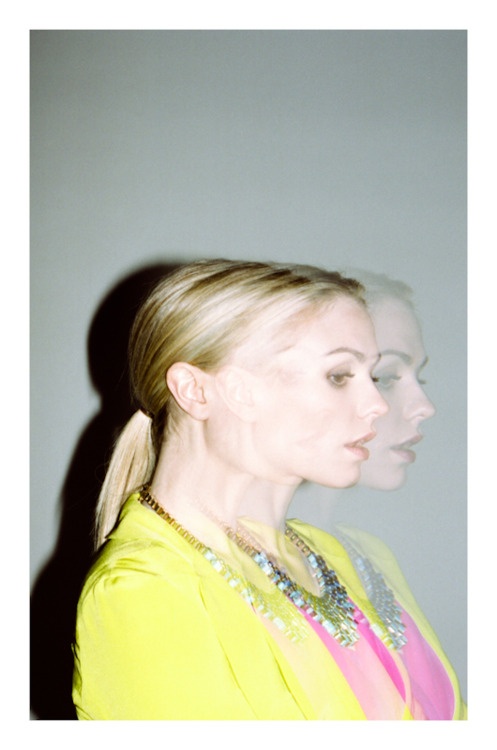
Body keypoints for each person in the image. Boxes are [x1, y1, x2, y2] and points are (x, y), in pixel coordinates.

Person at [72, 259, 465, 720]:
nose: (377, 404)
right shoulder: (143, 590)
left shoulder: (349, 557)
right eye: (339, 375)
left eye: (373, 376)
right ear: (197, 390)